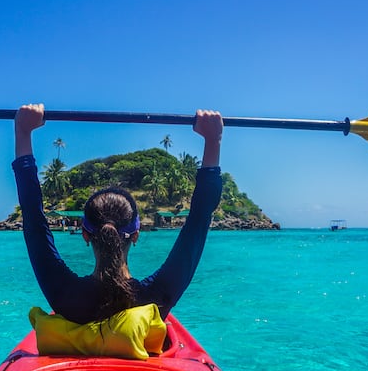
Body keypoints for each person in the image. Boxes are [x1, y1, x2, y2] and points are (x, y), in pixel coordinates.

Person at [12, 104, 223, 327]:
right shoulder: (154, 300)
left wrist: (23, 131)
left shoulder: (64, 295)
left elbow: (33, 219)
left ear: (85, 234)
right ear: (136, 235)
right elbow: (199, 220)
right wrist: (213, 140)